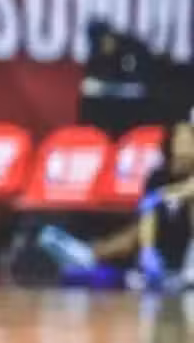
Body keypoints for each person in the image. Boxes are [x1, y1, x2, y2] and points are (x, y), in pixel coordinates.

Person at [34, 120, 194, 292]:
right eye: (179, 141)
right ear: (170, 144)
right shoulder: (158, 176)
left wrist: (163, 195)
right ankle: (88, 255)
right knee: (135, 233)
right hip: (161, 235)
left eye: (188, 142)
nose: (183, 148)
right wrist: (148, 250)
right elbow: (148, 213)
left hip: (187, 236)